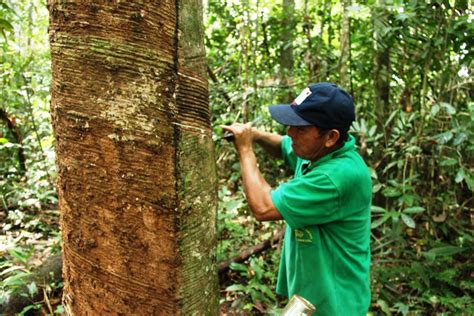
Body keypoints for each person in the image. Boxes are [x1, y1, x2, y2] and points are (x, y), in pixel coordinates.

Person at [221, 82, 372, 315]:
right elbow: (283, 146)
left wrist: (246, 149)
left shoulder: (337, 176)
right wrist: (257, 135)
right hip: (309, 297)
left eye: (300, 128)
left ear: (331, 137)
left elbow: (263, 207)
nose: (290, 132)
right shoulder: (317, 151)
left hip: (334, 304)